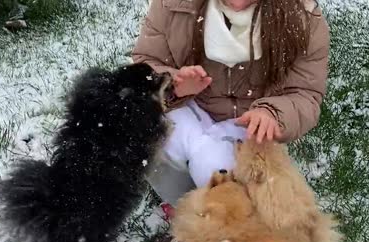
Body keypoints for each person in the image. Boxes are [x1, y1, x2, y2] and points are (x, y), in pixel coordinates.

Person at [132, 0, 330, 215]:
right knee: (143, 136)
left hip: (251, 121)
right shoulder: (172, 5)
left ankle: (221, 218)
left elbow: (305, 93)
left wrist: (273, 113)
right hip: (190, 105)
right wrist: (173, 86)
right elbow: (146, 62)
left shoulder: (302, 17)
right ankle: (183, 205)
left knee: (218, 172)